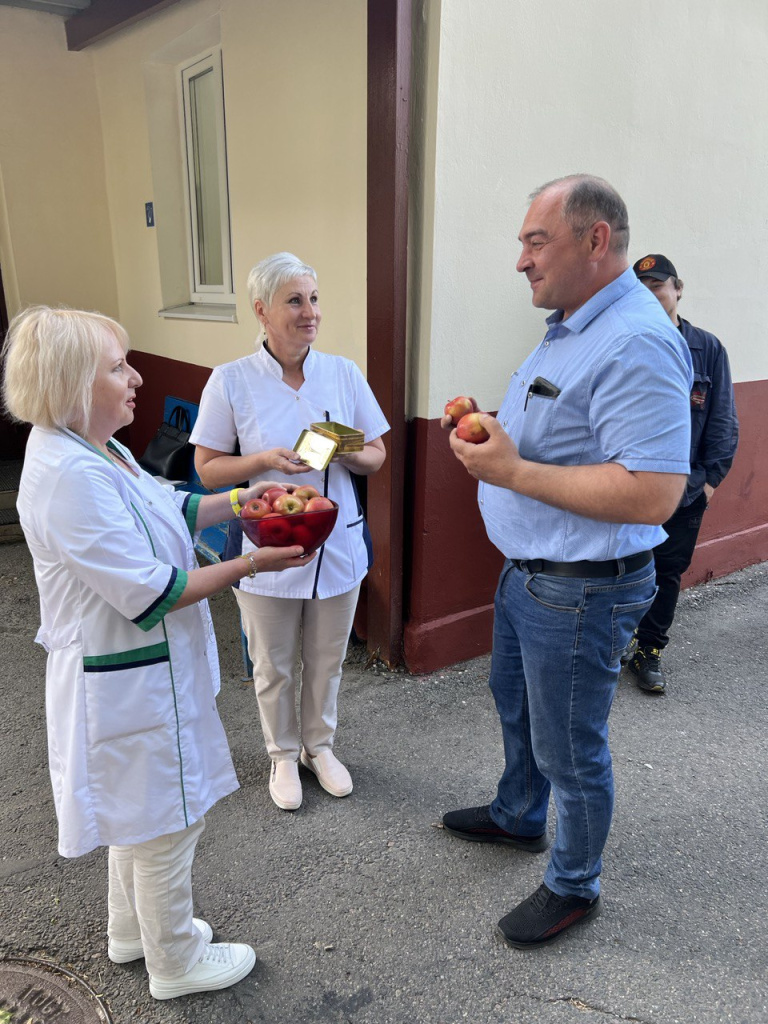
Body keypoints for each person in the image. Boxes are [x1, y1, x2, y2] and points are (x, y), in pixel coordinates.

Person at [2, 306, 314, 1000]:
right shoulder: (68, 476)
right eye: (117, 366)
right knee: (169, 820)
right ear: (71, 383)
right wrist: (250, 565)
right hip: (129, 680)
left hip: (134, 674)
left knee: (137, 812)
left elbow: (164, 506)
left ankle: (131, 934)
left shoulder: (93, 449)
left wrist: (237, 500)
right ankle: (175, 963)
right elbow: (153, 594)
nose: (136, 376)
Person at [440, 175, 693, 949]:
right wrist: (498, 441)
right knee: (515, 704)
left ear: (595, 240)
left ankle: (574, 884)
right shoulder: (574, 325)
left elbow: (653, 493)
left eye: (535, 240)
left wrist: (511, 473)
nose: (520, 259)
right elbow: (561, 440)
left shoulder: (637, 339)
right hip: (532, 574)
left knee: (571, 749)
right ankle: (520, 816)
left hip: (581, 591)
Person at [190, 252, 389, 811]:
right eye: (295, 301)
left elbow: (376, 455)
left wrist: (340, 442)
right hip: (265, 544)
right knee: (273, 663)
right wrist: (262, 460)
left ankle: (318, 748)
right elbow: (206, 468)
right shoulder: (230, 381)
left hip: (338, 541)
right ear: (261, 310)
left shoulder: (343, 373)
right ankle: (281, 754)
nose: (311, 312)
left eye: (315, 298)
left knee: (327, 658)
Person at [622, 254, 739, 693]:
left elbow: (724, 420)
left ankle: (649, 651)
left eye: (657, 286)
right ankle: (616, 641)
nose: (650, 296)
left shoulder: (705, 348)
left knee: (666, 573)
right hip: (626, 485)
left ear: (678, 288)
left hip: (684, 491)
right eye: (641, 288)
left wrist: (708, 483)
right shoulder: (626, 342)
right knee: (620, 567)